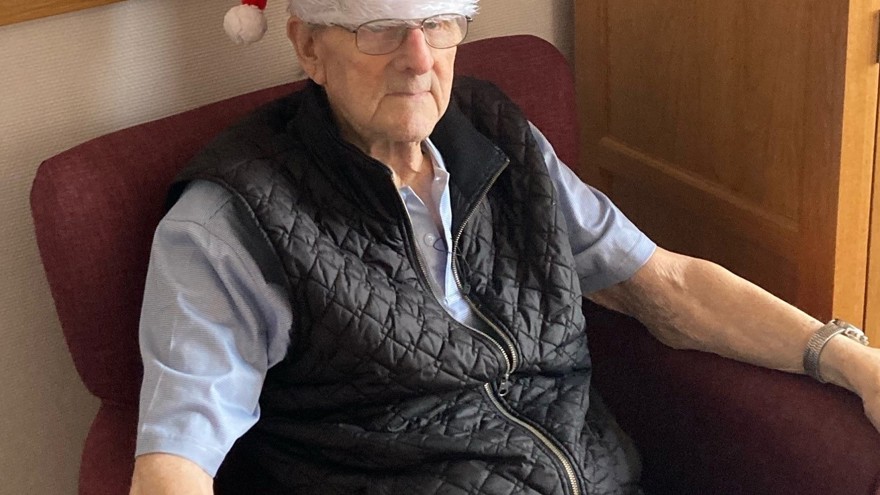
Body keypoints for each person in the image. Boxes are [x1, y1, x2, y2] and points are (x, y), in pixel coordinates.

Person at [130, 1, 880, 494]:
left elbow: (669, 288)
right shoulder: (229, 219)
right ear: (308, 45)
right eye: (378, 26)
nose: (419, 59)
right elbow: (176, 460)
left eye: (439, 22)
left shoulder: (500, 140)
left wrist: (849, 357)